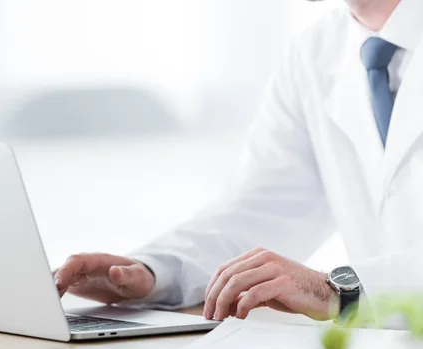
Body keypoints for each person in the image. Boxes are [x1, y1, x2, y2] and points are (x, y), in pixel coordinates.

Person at [53, 0, 423, 322]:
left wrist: (338, 291)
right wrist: (151, 272)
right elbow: (261, 210)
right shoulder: (316, 53)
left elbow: (341, 289)